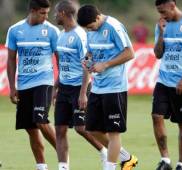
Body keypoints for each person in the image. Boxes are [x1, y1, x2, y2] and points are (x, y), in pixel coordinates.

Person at [77, 5, 138, 170]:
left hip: (115, 87)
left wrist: (106, 64)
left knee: (113, 132)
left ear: (98, 17)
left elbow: (130, 53)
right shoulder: (90, 31)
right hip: (97, 87)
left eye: (91, 26)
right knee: (92, 129)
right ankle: (127, 158)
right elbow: (90, 52)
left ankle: (110, 167)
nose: (90, 30)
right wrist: (87, 59)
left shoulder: (113, 27)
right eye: (87, 29)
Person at [53, 1, 108, 170]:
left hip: (79, 88)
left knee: (81, 128)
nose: (54, 15)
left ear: (63, 13)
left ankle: (105, 151)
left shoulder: (80, 35)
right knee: (60, 129)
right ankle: (63, 167)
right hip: (64, 88)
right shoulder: (61, 35)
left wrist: (83, 92)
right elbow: (63, 63)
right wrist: (56, 86)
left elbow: (87, 63)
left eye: (56, 12)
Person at [5, 0, 58, 170]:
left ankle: (63, 157)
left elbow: (60, 57)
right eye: (43, 13)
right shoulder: (15, 30)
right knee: (30, 127)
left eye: (47, 13)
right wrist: (12, 87)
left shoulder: (52, 31)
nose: (46, 16)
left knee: (40, 120)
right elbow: (11, 59)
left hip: (44, 81)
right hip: (23, 84)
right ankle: (41, 166)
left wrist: (60, 83)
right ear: (33, 11)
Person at [152, 0, 182, 169]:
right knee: (156, 116)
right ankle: (165, 160)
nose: (161, 15)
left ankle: (181, 164)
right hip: (164, 81)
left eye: (163, 11)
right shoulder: (161, 25)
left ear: (172, 5)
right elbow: (158, 54)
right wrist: (160, 33)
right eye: (159, 12)